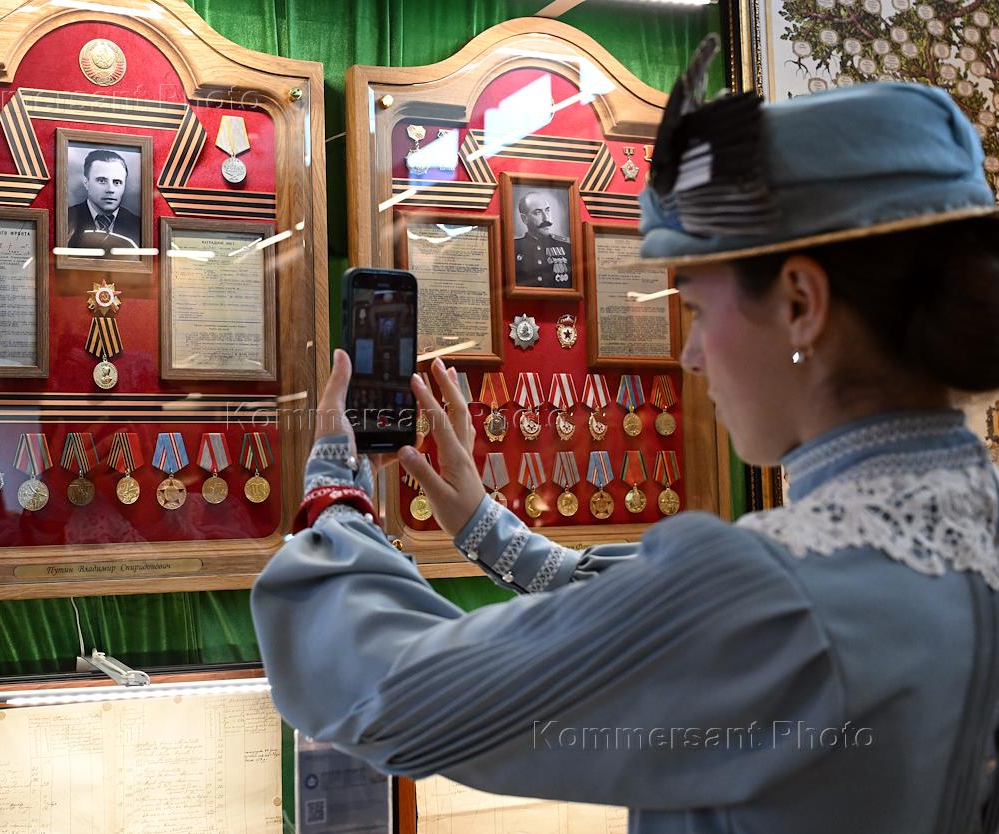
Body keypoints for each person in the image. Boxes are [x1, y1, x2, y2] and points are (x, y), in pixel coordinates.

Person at [251, 41, 999, 833]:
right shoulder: (958, 539)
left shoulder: (771, 597)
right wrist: (481, 525)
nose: (691, 354)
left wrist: (335, 498)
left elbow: (391, 698)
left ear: (800, 305)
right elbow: (639, 616)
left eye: (698, 310)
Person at [66, 148, 141, 253]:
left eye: (117, 182)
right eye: (102, 181)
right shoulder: (66, 219)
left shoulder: (138, 225)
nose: (110, 190)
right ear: (86, 183)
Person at [514, 191, 571, 287]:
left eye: (547, 210)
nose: (546, 219)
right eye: (538, 212)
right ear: (524, 219)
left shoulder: (567, 247)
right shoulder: (513, 247)